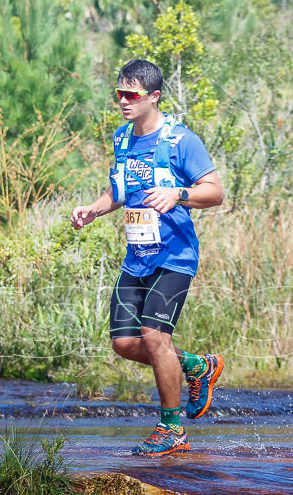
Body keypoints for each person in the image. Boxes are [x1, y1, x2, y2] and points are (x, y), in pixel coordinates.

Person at [71, 59, 224, 456]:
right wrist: (94, 208)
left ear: (153, 96)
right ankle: (197, 366)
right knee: (123, 342)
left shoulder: (180, 140)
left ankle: (171, 428)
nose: (123, 101)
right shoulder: (123, 139)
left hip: (175, 256)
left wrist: (179, 194)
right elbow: (117, 191)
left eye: (131, 95)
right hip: (137, 256)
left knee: (156, 338)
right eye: (119, 93)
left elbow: (215, 191)